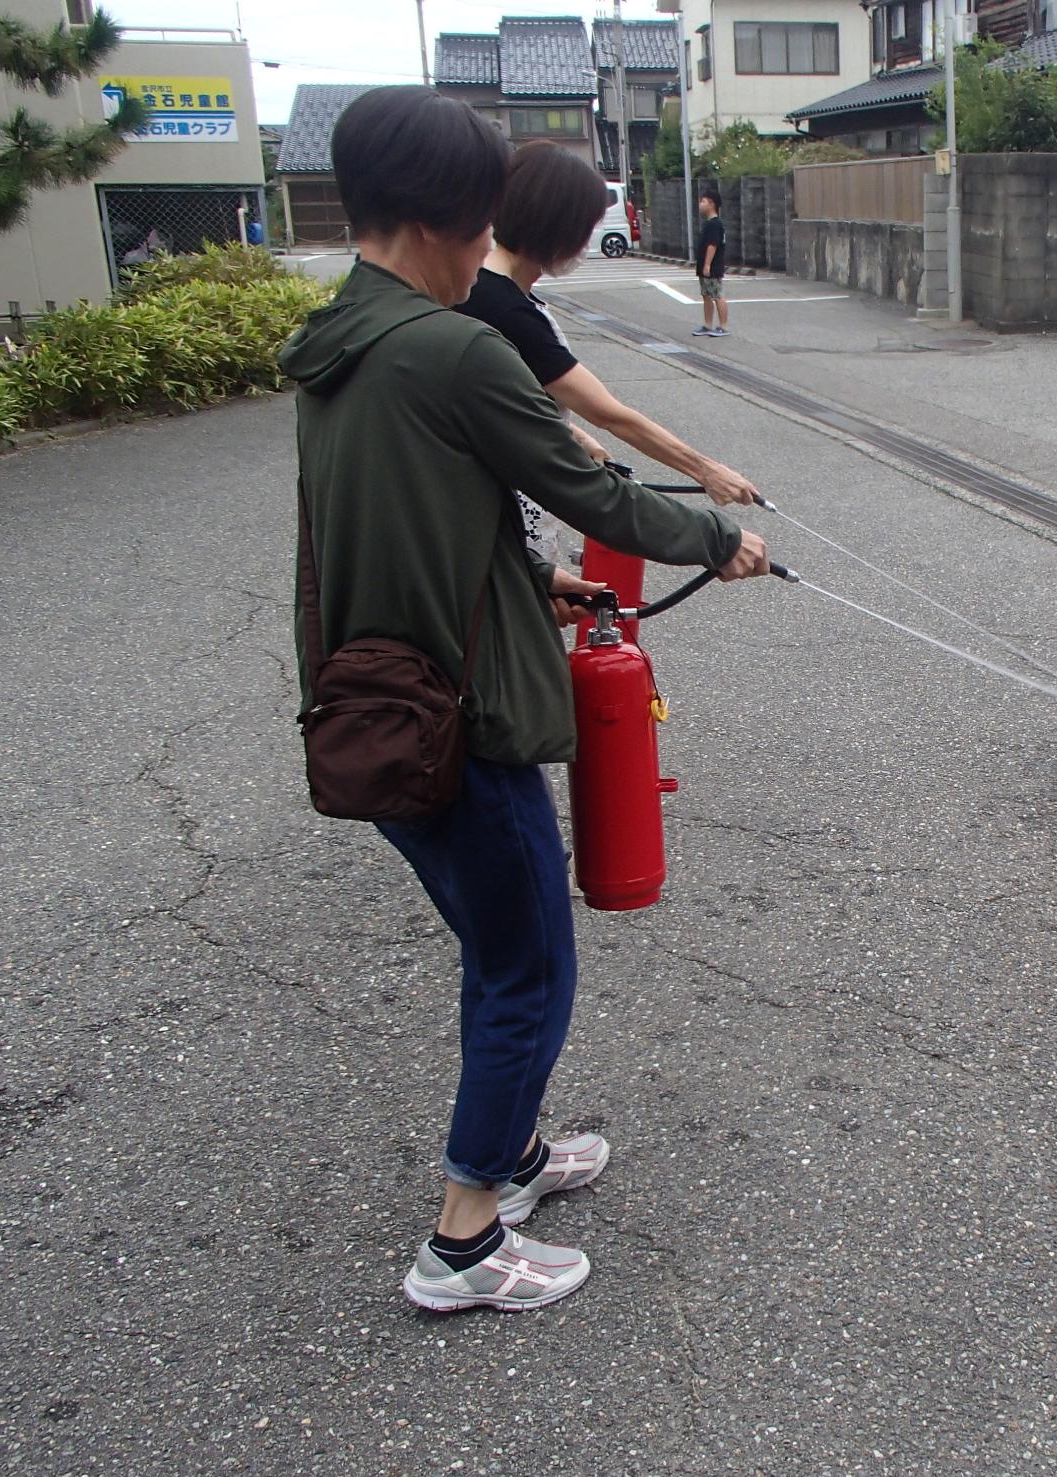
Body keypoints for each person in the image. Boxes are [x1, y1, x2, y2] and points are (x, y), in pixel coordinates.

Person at [277, 86, 770, 1314]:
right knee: (526, 971)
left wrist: (529, 578)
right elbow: (595, 487)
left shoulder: (345, 340)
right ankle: (462, 1243)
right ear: (457, 213)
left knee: (497, 951)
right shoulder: (452, 346)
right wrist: (715, 536)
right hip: (455, 722)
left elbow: (411, 519)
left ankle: (512, 1156)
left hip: (375, 704)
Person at [456, 144, 760, 507]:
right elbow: (609, 414)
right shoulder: (505, 308)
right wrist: (706, 470)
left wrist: (571, 434)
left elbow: (503, 404)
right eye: (586, 229)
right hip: (500, 502)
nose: (586, 243)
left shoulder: (481, 287)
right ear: (559, 227)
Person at [693, 188, 728, 338]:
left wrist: (707, 264)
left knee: (717, 295)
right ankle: (708, 325)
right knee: (706, 295)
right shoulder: (709, 223)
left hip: (713, 266)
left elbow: (712, 245)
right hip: (704, 266)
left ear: (712, 204)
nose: (700, 204)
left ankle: (723, 326)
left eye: (703, 201)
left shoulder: (715, 224)